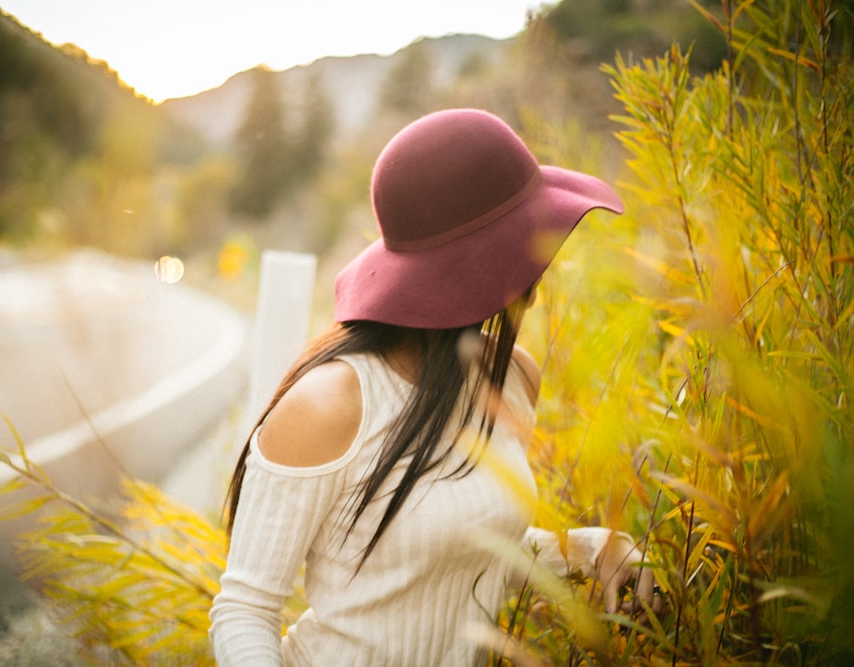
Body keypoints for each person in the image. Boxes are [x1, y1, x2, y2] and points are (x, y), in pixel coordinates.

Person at [209, 108, 658, 666]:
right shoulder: (328, 406)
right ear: (476, 265)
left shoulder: (511, 375)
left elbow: (466, 548)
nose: (541, 270)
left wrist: (593, 548)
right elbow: (245, 611)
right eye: (527, 244)